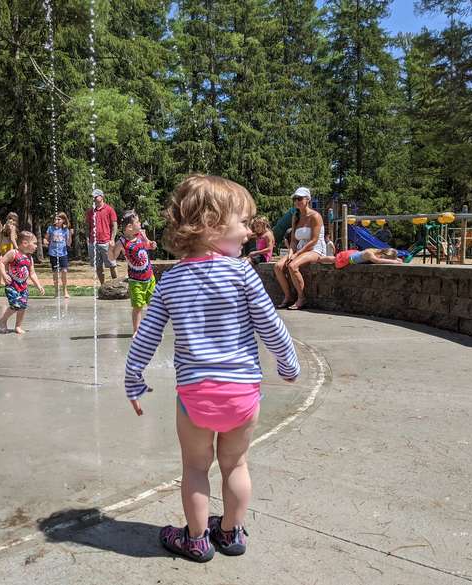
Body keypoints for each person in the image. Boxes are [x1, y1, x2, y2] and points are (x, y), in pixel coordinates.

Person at [124, 175, 300, 562]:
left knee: (196, 468)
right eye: (241, 222)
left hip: (195, 396)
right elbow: (271, 326)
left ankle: (197, 539)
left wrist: (133, 379)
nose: (249, 232)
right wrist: (288, 365)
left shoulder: (170, 280)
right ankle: (231, 533)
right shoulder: (242, 275)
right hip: (242, 393)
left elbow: (147, 336)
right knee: (235, 463)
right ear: (209, 224)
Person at [273, 187, 326, 310]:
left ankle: (301, 298)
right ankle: (288, 297)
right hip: (300, 249)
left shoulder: (315, 216)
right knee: (278, 266)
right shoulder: (295, 217)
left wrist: (296, 255)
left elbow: (313, 241)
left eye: (300, 198)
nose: (297, 201)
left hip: (315, 249)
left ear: (308, 199)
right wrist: (291, 253)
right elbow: (293, 241)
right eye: (295, 198)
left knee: (292, 266)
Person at [109, 210, 158, 334]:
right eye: (138, 221)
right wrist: (110, 248)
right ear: (130, 227)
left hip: (149, 277)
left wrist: (152, 244)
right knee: (138, 307)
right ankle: (137, 330)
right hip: (136, 280)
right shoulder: (122, 242)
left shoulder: (141, 234)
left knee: (153, 305)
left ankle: (152, 329)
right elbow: (112, 257)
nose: (140, 223)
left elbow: (148, 246)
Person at [0, 231, 45, 334]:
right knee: (15, 305)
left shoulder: (30, 258)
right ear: (25, 243)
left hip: (23, 287)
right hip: (12, 285)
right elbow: (1, 262)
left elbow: (32, 273)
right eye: (35, 243)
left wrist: (39, 285)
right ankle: (3, 320)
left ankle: (18, 326)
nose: (36, 246)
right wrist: (4, 274)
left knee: (22, 307)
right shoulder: (13, 253)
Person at [84, 188, 118, 285]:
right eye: (93, 197)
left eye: (96, 196)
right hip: (93, 243)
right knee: (98, 266)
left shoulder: (109, 209)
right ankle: (103, 287)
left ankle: (116, 285)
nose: (94, 198)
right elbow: (87, 226)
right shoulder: (90, 211)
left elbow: (114, 225)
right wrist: (88, 239)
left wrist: (112, 239)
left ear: (102, 197)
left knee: (112, 265)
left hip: (106, 242)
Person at [44, 212, 73, 299]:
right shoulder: (50, 228)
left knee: (64, 272)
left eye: (58, 219)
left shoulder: (65, 230)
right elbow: (46, 238)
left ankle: (65, 291)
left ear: (63, 220)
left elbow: (68, 243)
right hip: (53, 253)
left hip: (63, 254)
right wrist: (45, 241)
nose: (56, 221)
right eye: (55, 219)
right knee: (55, 273)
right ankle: (56, 291)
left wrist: (70, 234)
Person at [319, 247, 402, 268]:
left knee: (334, 259)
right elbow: (377, 261)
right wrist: (394, 262)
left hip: (355, 254)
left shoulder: (377, 251)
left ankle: (320, 258)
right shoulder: (370, 254)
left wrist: (396, 259)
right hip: (350, 258)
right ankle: (319, 259)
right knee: (334, 259)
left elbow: (381, 258)